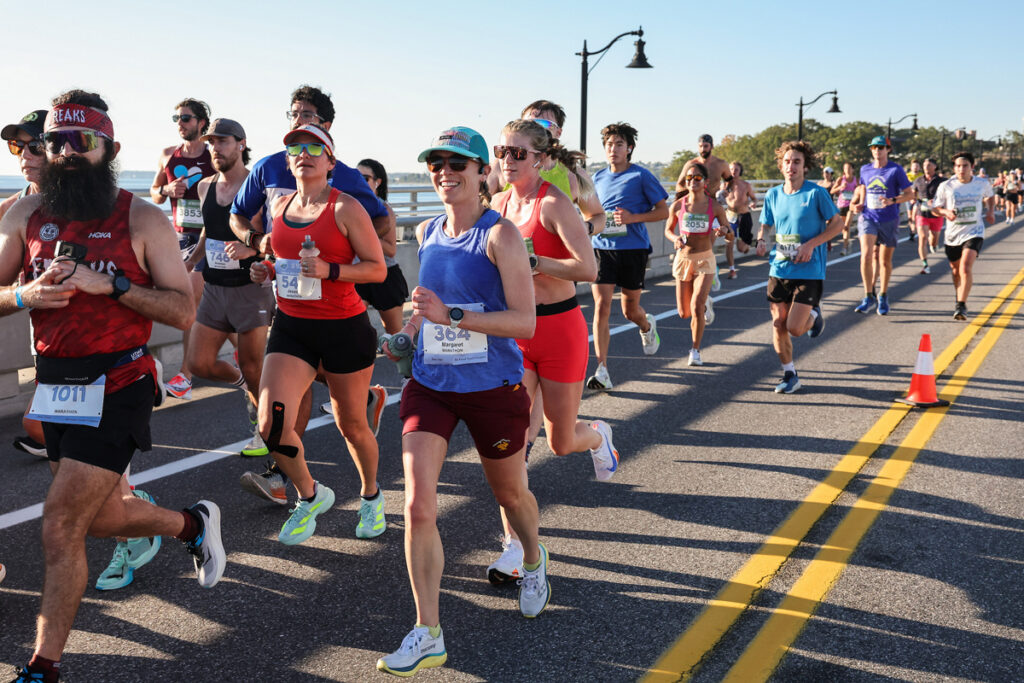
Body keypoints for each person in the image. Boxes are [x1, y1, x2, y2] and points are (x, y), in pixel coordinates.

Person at [0, 89, 224, 683]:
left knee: (59, 524)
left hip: (119, 379)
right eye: (56, 140)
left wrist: (115, 287)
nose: (67, 151)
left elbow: (182, 311)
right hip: (55, 383)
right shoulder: (24, 214)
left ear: (110, 148)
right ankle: (191, 525)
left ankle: (42, 668)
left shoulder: (141, 218)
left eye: (82, 141)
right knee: (98, 520)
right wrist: (24, 295)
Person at [377, 126, 545, 678]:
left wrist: (452, 315)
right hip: (431, 385)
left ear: (480, 173)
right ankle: (428, 630)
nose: (445, 173)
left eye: (457, 164)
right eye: (436, 165)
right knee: (417, 505)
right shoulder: (426, 232)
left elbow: (524, 321)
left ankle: (535, 560)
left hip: (493, 388)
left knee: (511, 493)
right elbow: (427, 313)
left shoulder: (501, 237)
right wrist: (407, 335)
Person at [229, 86, 389, 505]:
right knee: (270, 425)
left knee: (352, 426)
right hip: (292, 325)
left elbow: (377, 267)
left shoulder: (345, 207)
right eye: (296, 147)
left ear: (330, 161)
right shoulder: (279, 210)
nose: (304, 152)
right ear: (288, 160)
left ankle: (371, 495)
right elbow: (279, 262)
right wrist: (264, 269)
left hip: (343, 327)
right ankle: (310, 493)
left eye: (315, 147)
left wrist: (331, 270)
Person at [484, 119, 615, 586]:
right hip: (516, 332)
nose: (508, 159)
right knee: (512, 447)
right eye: (503, 151)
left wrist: (535, 261)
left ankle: (597, 435)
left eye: (518, 153)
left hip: (559, 329)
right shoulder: (497, 204)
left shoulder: (555, 204)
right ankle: (516, 547)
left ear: (540, 159)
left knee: (560, 442)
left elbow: (589, 268)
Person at [181, 118, 273, 457]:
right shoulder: (205, 186)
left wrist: (253, 248)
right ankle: (247, 392)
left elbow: (277, 237)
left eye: (223, 141)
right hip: (214, 287)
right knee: (200, 363)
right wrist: (191, 261)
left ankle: (265, 432)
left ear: (241, 144)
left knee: (254, 366)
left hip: (250, 287)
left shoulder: (257, 186)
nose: (215, 148)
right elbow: (210, 231)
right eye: (211, 142)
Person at [755, 140, 843, 393]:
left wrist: (811, 245)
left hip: (809, 269)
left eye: (797, 162)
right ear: (781, 165)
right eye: (787, 161)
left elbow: (837, 224)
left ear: (805, 167)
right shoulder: (773, 194)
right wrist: (762, 240)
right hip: (780, 267)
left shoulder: (815, 193)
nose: (791, 166)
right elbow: (766, 223)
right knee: (778, 324)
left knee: (794, 328)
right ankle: (790, 374)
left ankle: (814, 315)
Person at [587, 122, 669, 391]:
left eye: (619, 144)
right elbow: (591, 213)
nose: (613, 149)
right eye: (609, 144)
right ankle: (602, 369)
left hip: (633, 249)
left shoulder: (641, 176)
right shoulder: (596, 178)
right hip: (602, 248)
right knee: (601, 307)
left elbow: (663, 211)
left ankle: (647, 326)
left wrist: (634, 217)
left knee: (630, 310)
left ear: (629, 148)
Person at [150, 98, 216, 400]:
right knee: (201, 304)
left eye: (186, 118)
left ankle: (186, 376)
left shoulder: (213, 155)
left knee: (191, 297)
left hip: (209, 236)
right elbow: (155, 195)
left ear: (202, 122)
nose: (180, 123)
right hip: (178, 238)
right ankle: (245, 359)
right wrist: (166, 189)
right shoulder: (168, 155)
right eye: (176, 117)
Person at [2, 109, 49, 457]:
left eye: (36, 146)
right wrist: (23, 294)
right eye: (18, 147)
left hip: (103, 337)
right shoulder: (12, 208)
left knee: (40, 424)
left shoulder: (94, 202)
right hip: (44, 328)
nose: (25, 157)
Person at [666, 162, 734, 366]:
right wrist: (675, 239)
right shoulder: (678, 205)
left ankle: (695, 350)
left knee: (696, 306)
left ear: (705, 182)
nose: (692, 181)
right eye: (689, 178)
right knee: (684, 312)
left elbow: (730, 234)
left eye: (697, 178)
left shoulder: (715, 206)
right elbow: (668, 230)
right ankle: (707, 303)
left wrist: (724, 231)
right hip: (684, 259)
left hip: (705, 258)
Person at [851, 136, 913, 315]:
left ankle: (883, 295)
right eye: (874, 148)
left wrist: (892, 200)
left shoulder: (895, 170)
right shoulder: (865, 169)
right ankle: (868, 295)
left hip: (889, 218)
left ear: (888, 149)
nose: (877, 150)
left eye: (881, 147)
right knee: (866, 256)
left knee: (884, 261)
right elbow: (862, 188)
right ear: (871, 150)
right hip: (868, 217)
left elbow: (910, 195)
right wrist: (858, 203)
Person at [931, 151, 994, 320]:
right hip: (952, 234)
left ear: (972, 167)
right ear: (954, 168)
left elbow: (990, 196)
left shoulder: (981, 183)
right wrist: (945, 212)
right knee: (955, 270)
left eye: (965, 166)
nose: (961, 169)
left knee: (965, 267)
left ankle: (961, 305)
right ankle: (959, 295)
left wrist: (990, 211)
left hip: (974, 231)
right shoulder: (946, 186)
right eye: (958, 166)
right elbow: (935, 208)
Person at [353, 158, 408, 335]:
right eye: (356, 177)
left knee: (395, 337)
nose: (360, 181)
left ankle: (408, 363)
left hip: (385, 275)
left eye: (365, 178)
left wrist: (365, 233)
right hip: (356, 274)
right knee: (353, 331)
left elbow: (391, 249)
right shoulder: (347, 207)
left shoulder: (385, 209)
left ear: (378, 182)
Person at [675, 134, 733, 281]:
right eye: (700, 146)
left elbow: (730, 181)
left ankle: (709, 272)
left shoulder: (721, 164)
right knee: (696, 244)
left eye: (706, 146)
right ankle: (703, 273)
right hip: (696, 207)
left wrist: (726, 191)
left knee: (708, 244)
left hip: (712, 208)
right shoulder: (691, 164)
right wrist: (688, 195)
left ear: (711, 147)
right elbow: (679, 184)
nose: (703, 149)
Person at [912, 158, 946, 272]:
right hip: (922, 213)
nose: (926, 167)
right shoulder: (918, 180)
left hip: (936, 214)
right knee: (922, 237)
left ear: (934, 167)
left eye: (929, 165)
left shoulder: (941, 181)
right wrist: (913, 201)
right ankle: (925, 264)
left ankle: (934, 244)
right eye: (924, 165)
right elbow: (913, 194)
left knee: (934, 238)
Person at [723, 161, 758, 259]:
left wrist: (753, 203)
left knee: (741, 249)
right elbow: (717, 198)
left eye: (736, 169)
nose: (733, 171)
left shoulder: (746, 185)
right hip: (730, 216)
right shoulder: (724, 185)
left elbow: (754, 198)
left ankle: (746, 244)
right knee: (729, 244)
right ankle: (732, 269)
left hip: (744, 216)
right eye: (731, 169)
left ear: (740, 171)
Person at [831, 162, 858, 255]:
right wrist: (840, 187)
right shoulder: (840, 179)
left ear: (853, 169)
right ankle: (847, 243)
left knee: (846, 226)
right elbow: (832, 191)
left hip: (851, 205)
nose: (847, 170)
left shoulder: (855, 180)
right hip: (841, 205)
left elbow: (859, 191)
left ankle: (844, 248)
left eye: (849, 168)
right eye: (845, 168)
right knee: (843, 227)